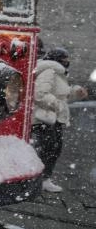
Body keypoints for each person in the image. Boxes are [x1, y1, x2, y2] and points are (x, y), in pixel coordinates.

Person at [30, 46, 86, 193]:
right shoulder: (50, 71)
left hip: (54, 119)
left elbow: (62, 95)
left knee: (54, 149)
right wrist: (58, 105)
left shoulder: (60, 73)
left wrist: (76, 92)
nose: (67, 63)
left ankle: (43, 179)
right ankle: (37, 180)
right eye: (65, 60)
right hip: (44, 119)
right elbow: (39, 94)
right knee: (47, 149)